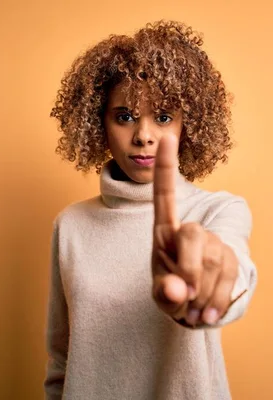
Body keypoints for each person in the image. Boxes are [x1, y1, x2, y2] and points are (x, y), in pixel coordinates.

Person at [45, 20, 258, 400]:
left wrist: (206, 290)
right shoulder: (71, 225)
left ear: (187, 125)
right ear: (99, 123)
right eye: (124, 116)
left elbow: (233, 271)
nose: (144, 135)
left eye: (162, 117)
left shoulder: (217, 210)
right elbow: (62, 361)